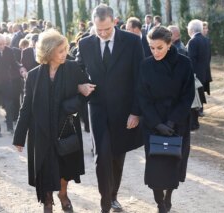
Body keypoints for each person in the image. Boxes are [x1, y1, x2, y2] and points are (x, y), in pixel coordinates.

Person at [13, 29, 92, 213]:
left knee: (65, 166)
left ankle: (63, 194)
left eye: (66, 49)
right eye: (61, 50)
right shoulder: (33, 75)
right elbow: (26, 107)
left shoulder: (72, 68)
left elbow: (88, 91)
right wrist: (19, 137)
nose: (66, 53)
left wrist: (72, 101)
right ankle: (47, 200)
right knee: (45, 166)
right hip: (41, 130)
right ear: (48, 52)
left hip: (66, 127)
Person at [76, 4, 144, 213]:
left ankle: (113, 195)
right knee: (101, 155)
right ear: (93, 24)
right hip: (97, 109)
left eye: (106, 29)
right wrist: (81, 85)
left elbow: (140, 78)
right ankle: (105, 202)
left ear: (115, 22)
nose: (103, 33)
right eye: (99, 29)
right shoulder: (85, 43)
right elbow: (78, 69)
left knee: (117, 156)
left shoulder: (132, 42)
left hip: (124, 111)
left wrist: (136, 111)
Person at [138, 26, 194, 213]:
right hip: (153, 124)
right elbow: (143, 97)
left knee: (173, 164)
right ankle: (159, 203)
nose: (155, 52)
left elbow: (188, 95)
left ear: (169, 44)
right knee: (154, 166)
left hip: (177, 123)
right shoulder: (146, 65)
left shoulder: (185, 63)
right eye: (152, 48)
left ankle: (168, 197)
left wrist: (171, 121)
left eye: (159, 47)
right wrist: (157, 123)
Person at [187, 19, 211, 130]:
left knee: (193, 99)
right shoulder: (206, 40)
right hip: (203, 73)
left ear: (191, 29)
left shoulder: (193, 41)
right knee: (198, 99)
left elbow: (191, 60)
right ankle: (195, 122)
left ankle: (193, 123)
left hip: (194, 74)